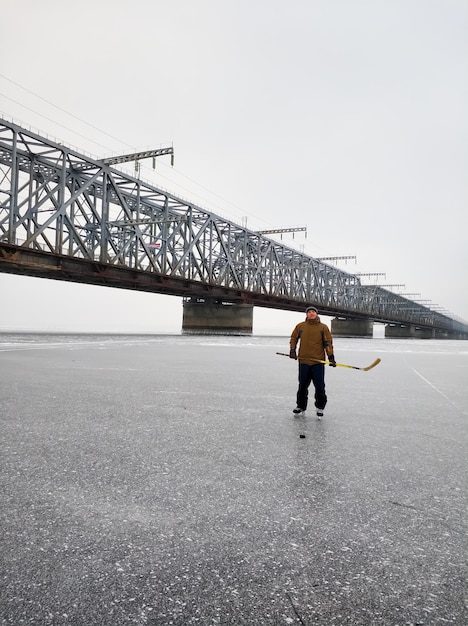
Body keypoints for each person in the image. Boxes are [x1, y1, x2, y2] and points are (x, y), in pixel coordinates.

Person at [289, 306, 336, 417]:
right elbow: (294, 338)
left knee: (319, 386)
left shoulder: (323, 327)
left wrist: (331, 357)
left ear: (316, 314)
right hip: (304, 361)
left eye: (313, 312)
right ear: (306, 314)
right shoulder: (301, 326)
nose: (311, 313)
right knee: (302, 386)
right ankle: (300, 406)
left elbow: (328, 343)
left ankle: (320, 407)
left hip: (318, 362)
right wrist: (292, 350)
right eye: (309, 312)